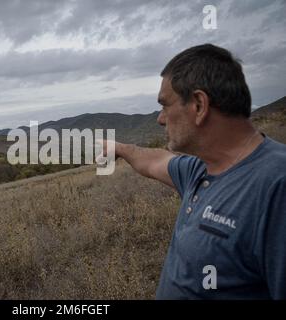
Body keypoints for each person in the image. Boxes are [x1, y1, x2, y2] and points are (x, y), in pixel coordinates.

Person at [100, 43, 286, 299]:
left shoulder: (277, 185)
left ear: (199, 105)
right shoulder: (197, 169)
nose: (160, 119)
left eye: (165, 105)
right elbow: (154, 161)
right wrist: (118, 148)